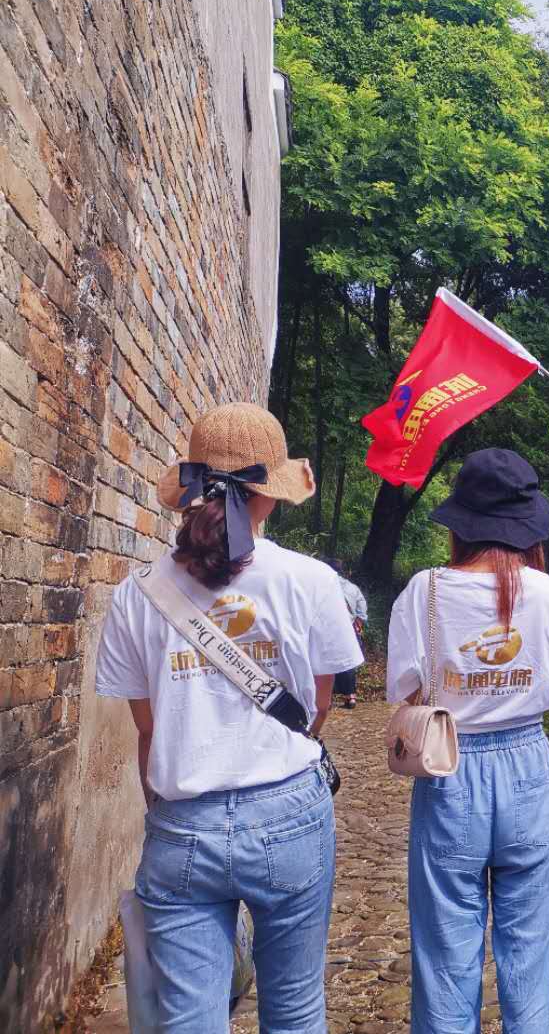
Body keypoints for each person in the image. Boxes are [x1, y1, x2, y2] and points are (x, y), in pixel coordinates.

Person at [96, 402, 363, 1031]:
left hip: (181, 819)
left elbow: (148, 730)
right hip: (290, 813)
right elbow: (317, 706)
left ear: (188, 491)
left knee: (187, 1017)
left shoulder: (134, 594)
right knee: (295, 1009)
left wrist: (169, 808)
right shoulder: (310, 581)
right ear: (269, 496)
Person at [387, 447, 549, 1034]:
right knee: (532, 952)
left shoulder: (424, 591)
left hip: (448, 766)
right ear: (529, 527)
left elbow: (403, 687)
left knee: (446, 949)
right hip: (529, 763)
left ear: (461, 524)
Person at [326, 558, 368, 708]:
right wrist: (358, 623)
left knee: (326, 661)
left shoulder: (321, 585)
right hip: (348, 629)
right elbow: (362, 611)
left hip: (327, 629)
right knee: (348, 662)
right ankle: (350, 697)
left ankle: (326, 699)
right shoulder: (352, 587)